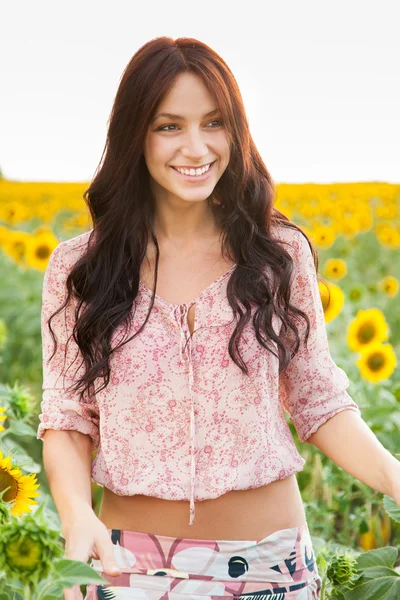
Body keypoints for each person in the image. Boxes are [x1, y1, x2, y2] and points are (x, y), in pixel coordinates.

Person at [37, 36, 362, 600]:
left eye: (214, 123)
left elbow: (317, 397)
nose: (196, 147)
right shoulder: (79, 268)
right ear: (134, 135)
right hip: (124, 565)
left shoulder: (278, 256)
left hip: (269, 567)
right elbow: (67, 415)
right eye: (169, 126)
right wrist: (74, 517)